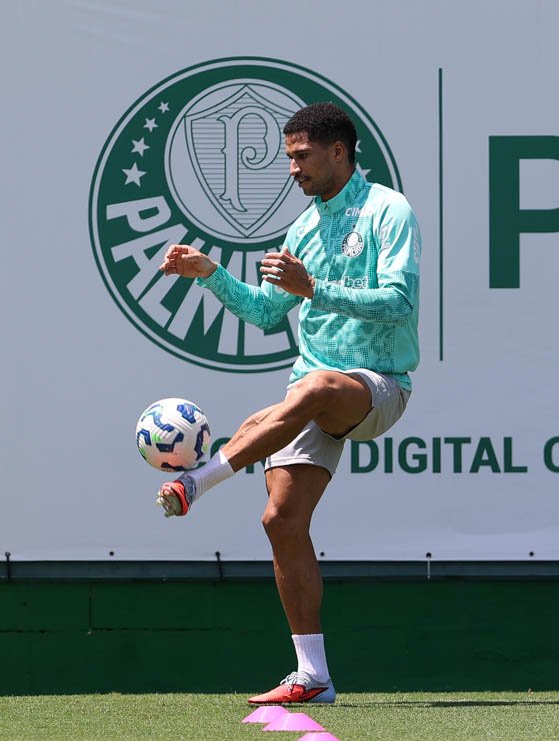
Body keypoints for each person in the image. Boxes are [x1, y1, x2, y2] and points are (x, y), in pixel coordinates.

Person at [156, 102, 420, 706]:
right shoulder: (302, 228)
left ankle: (199, 481)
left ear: (339, 152)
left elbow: (401, 302)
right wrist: (209, 272)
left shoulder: (389, 210)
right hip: (310, 390)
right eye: (289, 157)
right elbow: (264, 311)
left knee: (316, 388)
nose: (293, 169)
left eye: (301, 156)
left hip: (377, 384)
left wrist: (315, 288)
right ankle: (313, 676)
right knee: (280, 521)